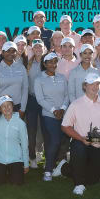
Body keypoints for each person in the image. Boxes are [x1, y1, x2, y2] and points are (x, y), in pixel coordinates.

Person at [61, 73, 100, 196]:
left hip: (99, 144)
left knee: (93, 181)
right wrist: (81, 138)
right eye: (91, 84)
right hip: (80, 142)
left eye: (97, 84)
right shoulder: (76, 104)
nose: (94, 86)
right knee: (79, 148)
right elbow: (65, 126)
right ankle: (79, 184)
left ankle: (66, 168)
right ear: (85, 86)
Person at [35, 52, 70, 181]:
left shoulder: (61, 77)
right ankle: (48, 170)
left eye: (55, 61)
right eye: (49, 62)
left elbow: (67, 95)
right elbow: (40, 99)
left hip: (63, 114)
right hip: (49, 115)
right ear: (44, 64)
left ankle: (59, 167)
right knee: (54, 141)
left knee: (61, 142)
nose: (52, 64)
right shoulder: (39, 79)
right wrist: (54, 110)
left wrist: (63, 109)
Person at [0, 95, 30, 186]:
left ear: (13, 106)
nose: (7, 108)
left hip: (16, 159)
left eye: (9, 105)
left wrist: (26, 164)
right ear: (0, 109)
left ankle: (13, 172)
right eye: (3, 106)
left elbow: (25, 144)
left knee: (17, 183)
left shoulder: (20, 123)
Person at [0, 41, 29, 118]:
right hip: (2, 107)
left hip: (18, 106)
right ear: (3, 53)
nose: (10, 53)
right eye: (8, 51)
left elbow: (25, 89)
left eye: (13, 51)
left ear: (16, 53)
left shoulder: (21, 67)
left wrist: (23, 109)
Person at [25, 39, 46, 166]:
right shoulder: (29, 64)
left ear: (44, 48)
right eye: (35, 47)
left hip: (46, 100)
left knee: (45, 129)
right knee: (31, 130)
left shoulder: (49, 62)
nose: (38, 49)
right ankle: (32, 157)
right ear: (32, 49)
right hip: (32, 99)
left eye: (40, 47)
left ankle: (46, 157)